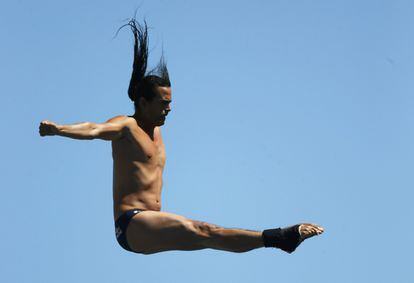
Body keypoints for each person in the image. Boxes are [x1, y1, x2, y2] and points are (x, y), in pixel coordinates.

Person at [39, 18, 324, 255]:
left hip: (151, 224)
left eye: (170, 102)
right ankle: (280, 237)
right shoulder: (126, 126)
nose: (169, 108)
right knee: (203, 231)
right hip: (131, 224)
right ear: (142, 102)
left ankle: (279, 239)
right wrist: (59, 129)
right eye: (163, 103)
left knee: (210, 235)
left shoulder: (159, 132)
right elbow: (94, 129)